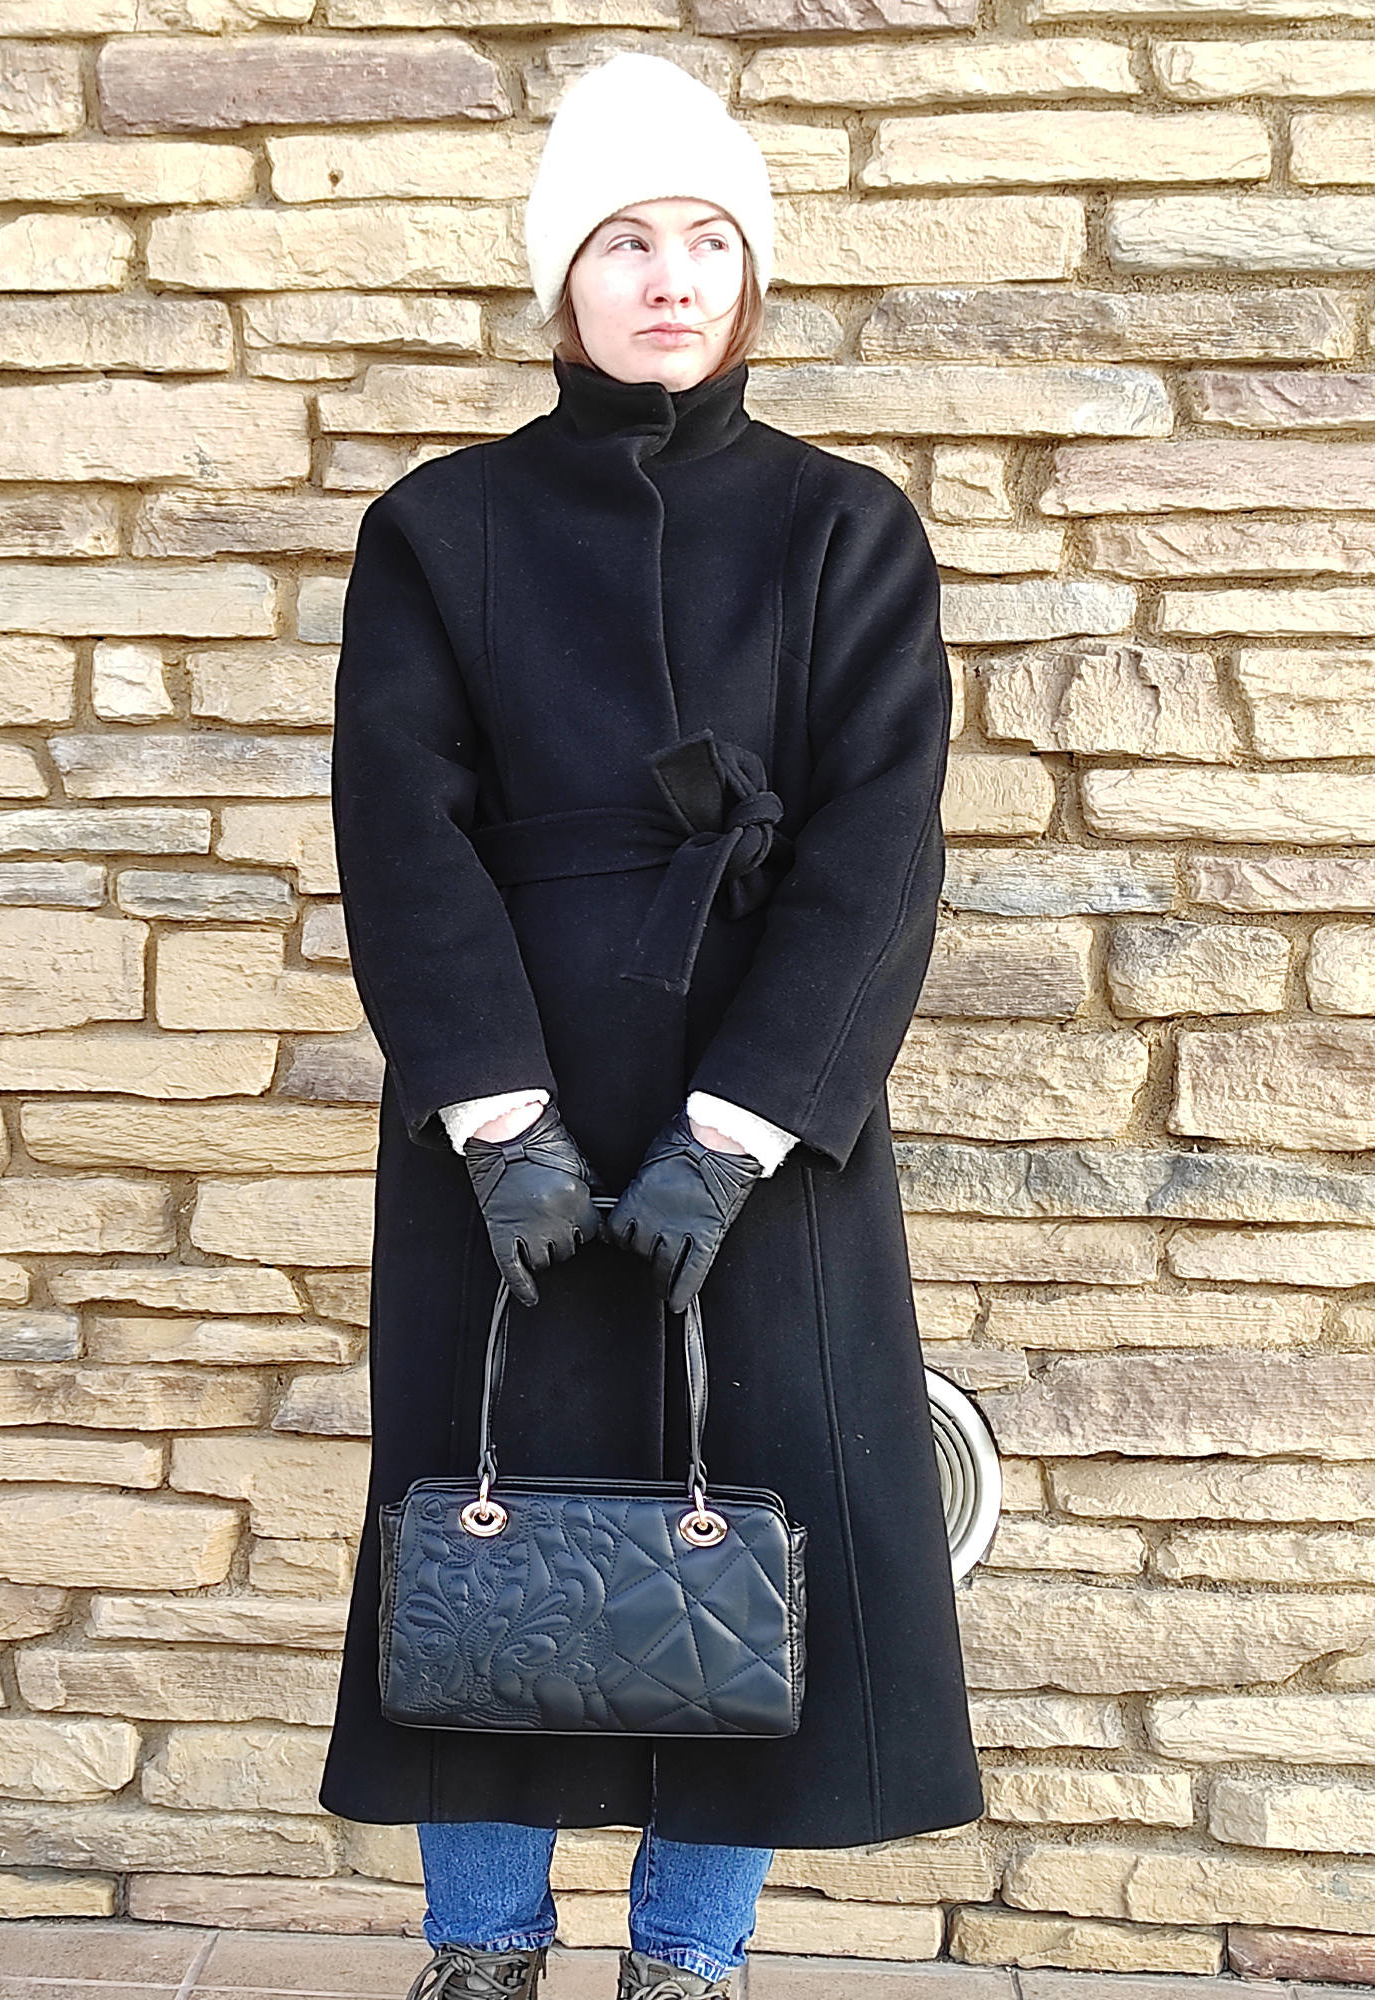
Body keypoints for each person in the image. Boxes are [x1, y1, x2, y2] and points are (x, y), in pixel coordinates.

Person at [319, 50, 983, 2000]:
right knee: (476, 1521)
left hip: (765, 1132)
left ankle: (688, 1959)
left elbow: (879, 849)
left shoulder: (847, 529)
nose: (668, 275)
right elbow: (400, 827)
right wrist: (498, 1117)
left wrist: (741, 1127)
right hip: (503, 1121)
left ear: (751, 271)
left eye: (705, 237)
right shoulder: (439, 528)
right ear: (562, 279)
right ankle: (482, 1950)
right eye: (621, 238)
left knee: (754, 1524)